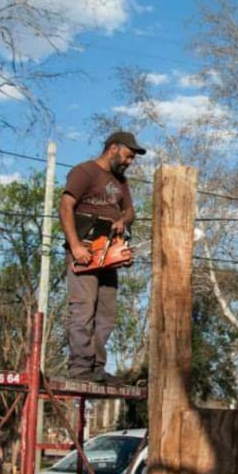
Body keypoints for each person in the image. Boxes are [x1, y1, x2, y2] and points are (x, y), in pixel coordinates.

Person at [58, 131, 144, 383]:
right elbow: (65, 206)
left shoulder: (121, 182)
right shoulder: (84, 172)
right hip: (84, 250)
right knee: (83, 309)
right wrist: (75, 246)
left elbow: (129, 212)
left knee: (106, 312)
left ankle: (97, 367)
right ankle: (80, 368)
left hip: (108, 253)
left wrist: (122, 221)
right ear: (114, 148)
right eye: (128, 156)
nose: (129, 162)